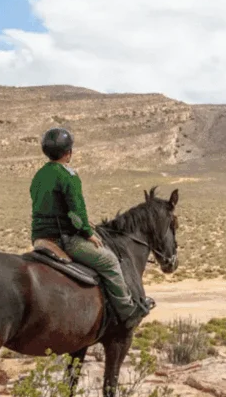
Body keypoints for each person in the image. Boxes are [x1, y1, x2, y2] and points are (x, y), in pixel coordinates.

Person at [30, 127, 151, 330]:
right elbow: (76, 214)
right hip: (65, 240)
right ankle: (127, 312)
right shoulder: (68, 176)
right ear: (69, 152)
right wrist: (87, 232)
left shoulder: (39, 175)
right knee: (110, 262)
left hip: (40, 239)